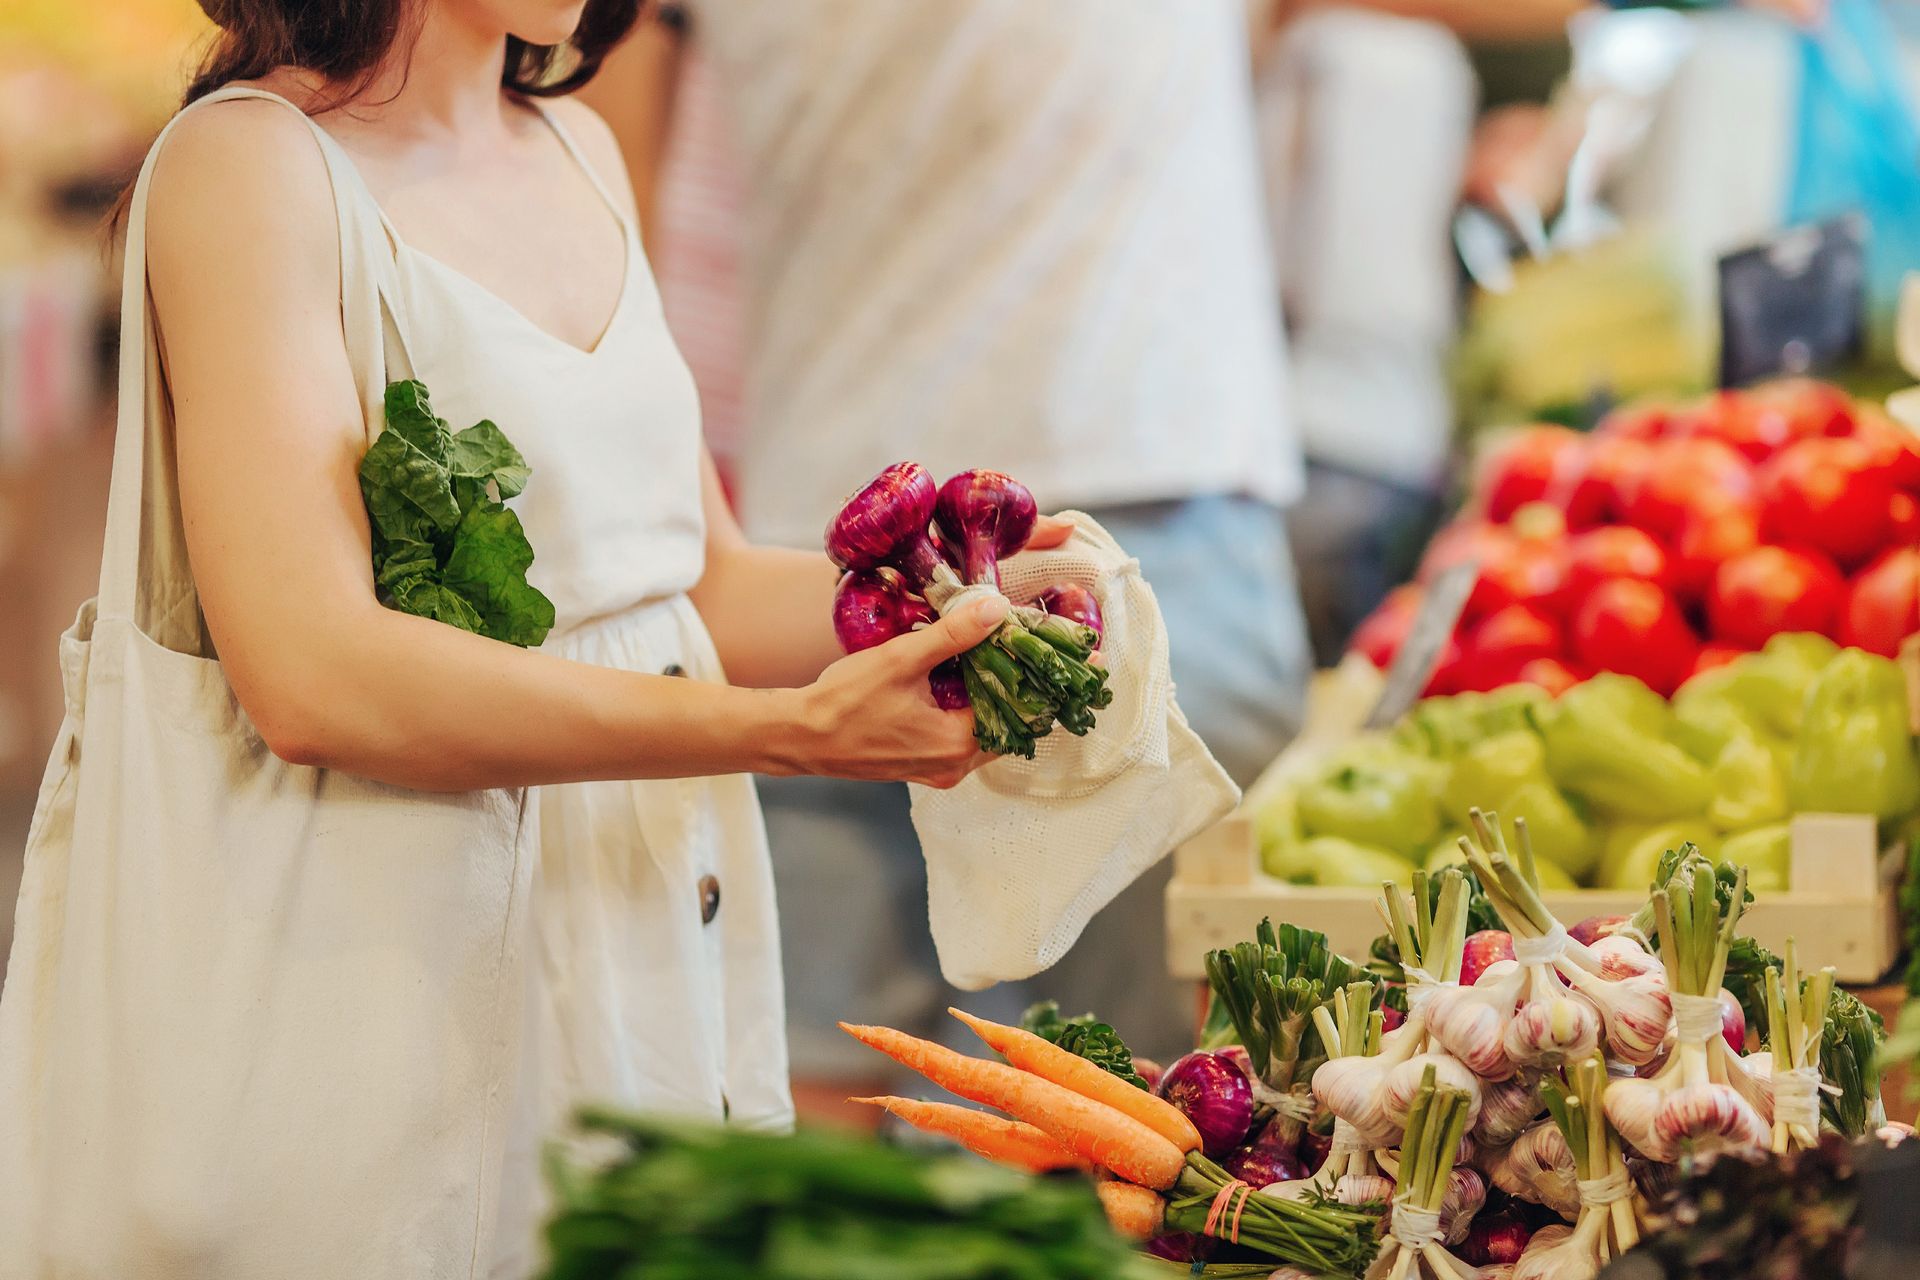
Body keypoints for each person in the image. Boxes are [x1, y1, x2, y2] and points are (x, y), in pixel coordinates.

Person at [0, 1, 1077, 1275]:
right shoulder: (250, 168)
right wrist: (790, 735)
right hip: (377, 978)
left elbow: (694, 583)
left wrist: (972, 597)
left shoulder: (578, 148)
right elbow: (313, 676)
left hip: (640, 941)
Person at [584, 0, 1313, 1082]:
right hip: (823, 573)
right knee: (819, 1093)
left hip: (1136, 514)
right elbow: (607, 216)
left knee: (1188, 1110)